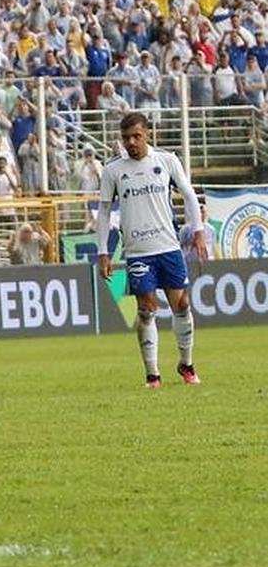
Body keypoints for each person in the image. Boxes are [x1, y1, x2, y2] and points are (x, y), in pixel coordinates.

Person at [97, 112, 205, 388]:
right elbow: (105, 211)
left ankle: (187, 364)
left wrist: (198, 232)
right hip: (137, 250)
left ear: (148, 134)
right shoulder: (113, 170)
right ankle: (153, 375)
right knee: (146, 309)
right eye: (125, 138)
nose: (131, 143)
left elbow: (189, 195)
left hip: (168, 246)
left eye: (136, 136)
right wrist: (103, 251)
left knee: (181, 305)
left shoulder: (166, 161)